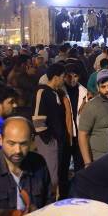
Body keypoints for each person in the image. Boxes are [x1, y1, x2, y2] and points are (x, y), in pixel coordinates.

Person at [33, 63, 68, 197]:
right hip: (47, 141)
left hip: (56, 140)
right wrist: (49, 139)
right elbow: (37, 119)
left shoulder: (55, 93)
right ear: (55, 77)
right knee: (50, 176)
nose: (64, 79)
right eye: (63, 76)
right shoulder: (42, 92)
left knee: (55, 174)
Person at [78, 70, 108, 166]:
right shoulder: (91, 107)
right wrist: (87, 163)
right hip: (100, 160)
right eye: (103, 87)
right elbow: (82, 135)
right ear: (97, 88)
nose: (107, 89)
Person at [64, 63, 90, 173]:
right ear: (64, 76)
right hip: (66, 133)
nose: (72, 79)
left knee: (79, 164)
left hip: (80, 133)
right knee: (64, 165)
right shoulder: (59, 92)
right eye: (69, 76)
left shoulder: (85, 92)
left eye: (75, 76)